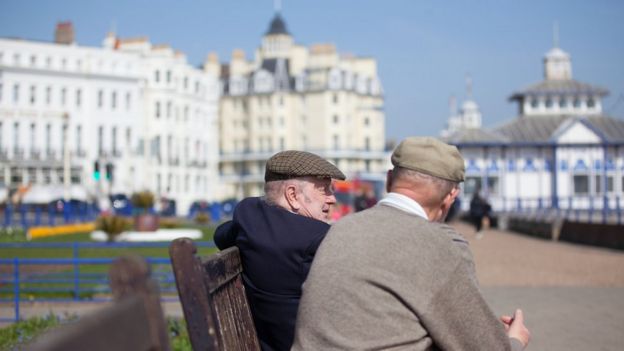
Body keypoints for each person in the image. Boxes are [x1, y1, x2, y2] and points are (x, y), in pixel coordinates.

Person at [292, 137, 530, 351]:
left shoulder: (340, 229)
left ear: (388, 180)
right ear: (451, 196)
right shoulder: (441, 245)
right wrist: (515, 339)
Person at [213, 150, 345, 351]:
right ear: (292, 195)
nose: (332, 199)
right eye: (324, 189)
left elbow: (221, 234)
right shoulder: (316, 241)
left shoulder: (248, 217)